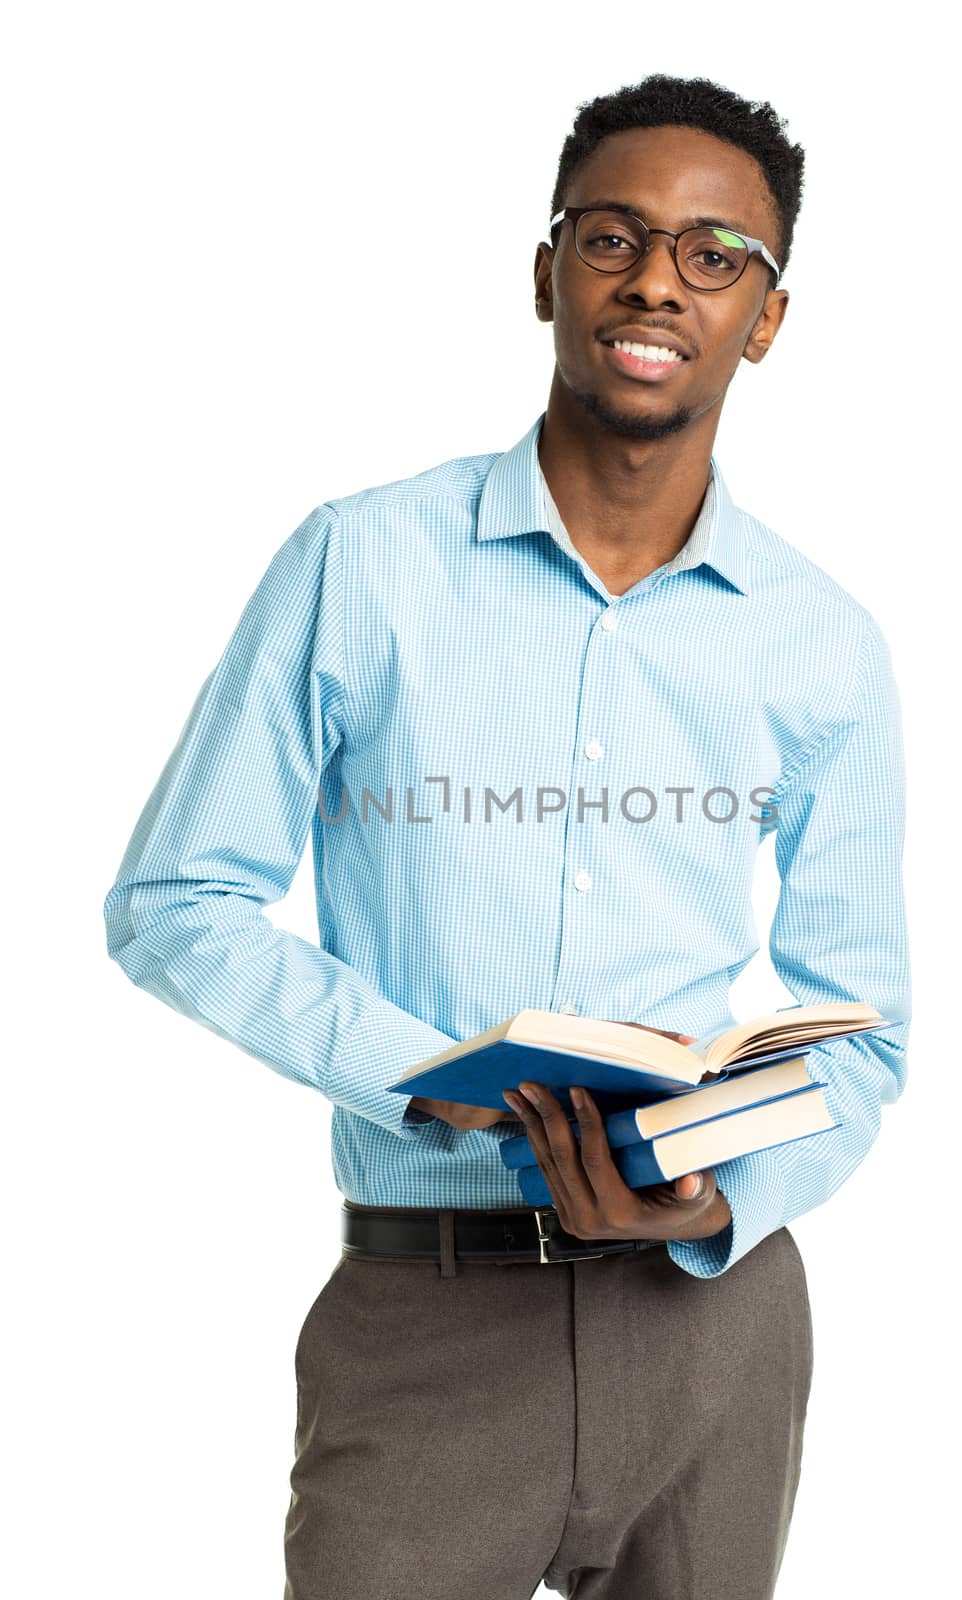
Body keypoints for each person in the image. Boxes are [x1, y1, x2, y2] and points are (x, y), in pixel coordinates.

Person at [103, 71, 911, 1600]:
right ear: (549, 272)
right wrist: (426, 1083)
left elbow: (864, 1042)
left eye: (713, 251)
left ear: (768, 315)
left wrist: (718, 1192)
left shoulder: (826, 644)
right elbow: (175, 900)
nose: (658, 277)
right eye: (614, 236)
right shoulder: (361, 564)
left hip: (715, 1335)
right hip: (427, 1324)